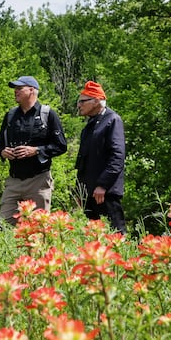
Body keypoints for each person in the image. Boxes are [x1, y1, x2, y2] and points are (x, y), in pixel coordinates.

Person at [0, 76, 67, 225]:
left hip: (39, 181)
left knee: (39, 228)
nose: (15, 91)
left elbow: (61, 146)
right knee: (3, 225)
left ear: (32, 90)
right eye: (15, 89)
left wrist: (36, 150)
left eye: (19, 88)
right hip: (14, 181)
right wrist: (4, 152)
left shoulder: (47, 114)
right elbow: (0, 146)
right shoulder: (10, 116)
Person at [75, 80, 127, 233]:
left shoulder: (112, 120)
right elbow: (83, 161)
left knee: (116, 235)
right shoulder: (90, 125)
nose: (79, 105)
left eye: (82, 101)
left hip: (105, 192)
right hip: (89, 193)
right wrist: (79, 191)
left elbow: (117, 156)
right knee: (93, 238)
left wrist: (102, 185)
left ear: (96, 101)